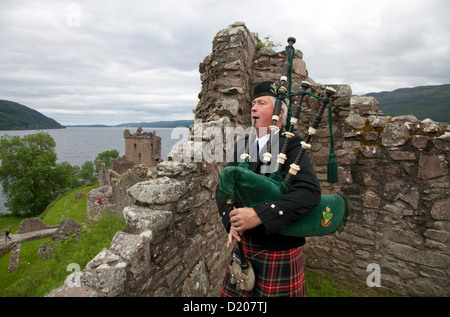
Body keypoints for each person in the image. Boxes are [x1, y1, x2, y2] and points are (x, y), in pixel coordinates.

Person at [216, 81, 321, 297]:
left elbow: (308, 193)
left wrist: (258, 215)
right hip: (245, 246)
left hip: (278, 250)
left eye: (261, 103)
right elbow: (223, 188)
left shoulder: (291, 145)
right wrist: (231, 222)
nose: (253, 108)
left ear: (279, 113)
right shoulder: (243, 145)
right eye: (253, 103)